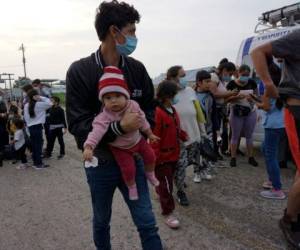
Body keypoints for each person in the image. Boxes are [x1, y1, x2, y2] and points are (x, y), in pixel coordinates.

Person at [66, 1, 163, 249]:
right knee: (101, 220)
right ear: (114, 31)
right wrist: (120, 128)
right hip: (100, 163)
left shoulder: (137, 70)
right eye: (130, 31)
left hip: (135, 158)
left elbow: (149, 110)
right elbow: (77, 124)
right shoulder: (80, 71)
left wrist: (143, 128)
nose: (134, 37)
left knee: (147, 222)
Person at [251, 29, 300, 248]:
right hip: (291, 114)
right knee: (275, 156)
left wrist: (259, 100)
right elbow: (258, 51)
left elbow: (266, 106)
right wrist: (268, 86)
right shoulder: (297, 37)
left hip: (274, 124)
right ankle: (289, 218)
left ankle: (279, 192)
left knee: (277, 159)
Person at [83, 66, 160, 200]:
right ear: (103, 101)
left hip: (138, 140)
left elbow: (142, 120)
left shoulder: (133, 105)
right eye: (108, 98)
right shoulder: (104, 116)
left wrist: (149, 134)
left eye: (117, 95)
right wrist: (89, 146)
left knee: (151, 156)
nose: (113, 100)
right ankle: (131, 187)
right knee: (128, 170)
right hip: (120, 148)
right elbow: (96, 132)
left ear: (125, 95)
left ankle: (150, 174)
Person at [166, 65, 206, 205]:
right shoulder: (168, 93)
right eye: (182, 76)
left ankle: (177, 179)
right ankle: (180, 191)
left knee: (188, 161)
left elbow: (198, 111)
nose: (185, 79)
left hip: (193, 135)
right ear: (172, 78)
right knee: (181, 164)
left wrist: (202, 132)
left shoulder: (190, 90)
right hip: (178, 138)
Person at [151, 80, 188, 229]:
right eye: (175, 94)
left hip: (174, 154)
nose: (177, 96)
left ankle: (161, 193)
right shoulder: (157, 112)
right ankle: (168, 212)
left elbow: (176, 128)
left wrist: (183, 135)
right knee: (167, 185)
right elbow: (154, 138)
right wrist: (155, 158)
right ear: (167, 95)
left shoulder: (172, 109)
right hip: (162, 158)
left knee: (165, 182)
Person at [253, 59, 286, 199]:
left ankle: (277, 189)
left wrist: (256, 103)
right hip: (282, 123)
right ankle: (272, 180)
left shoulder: (268, 88)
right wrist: (258, 99)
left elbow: (266, 107)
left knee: (270, 156)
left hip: (272, 125)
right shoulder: (283, 85)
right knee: (265, 149)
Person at [226, 64, 259, 167]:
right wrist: (235, 97)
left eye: (247, 74)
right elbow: (226, 99)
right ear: (238, 73)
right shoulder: (231, 84)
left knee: (249, 136)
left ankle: (251, 157)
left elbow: (258, 97)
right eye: (243, 74)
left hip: (250, 111)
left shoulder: (252, 82)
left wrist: (253, 98)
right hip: (236, 112)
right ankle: (233, 157)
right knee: (235, 135)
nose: (245, 76)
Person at [24, 89, 52, 170]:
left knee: (34, 145)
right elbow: (50, 103)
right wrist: (41, 97)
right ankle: (38, 164)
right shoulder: (39, 104)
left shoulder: (26, 105)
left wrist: (37, 97)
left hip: (30, 127)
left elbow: (26, 117)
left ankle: (36, 162)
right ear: (34, 96)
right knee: (38, 146)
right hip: (37, 127)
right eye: (37, 95)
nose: (39, 96)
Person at [0, 100, 8, 167]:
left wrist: (5, 114)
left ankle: (5, 154)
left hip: (3, 123)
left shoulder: (2, 102)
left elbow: (5, 111)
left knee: (4, 139)